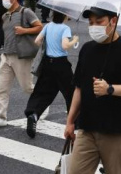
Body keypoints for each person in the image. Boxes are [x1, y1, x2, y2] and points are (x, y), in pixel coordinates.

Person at [63, 4, 121, 174]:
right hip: (87, 128)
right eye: (91, 22)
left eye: (99, 21)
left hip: (116, 130)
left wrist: (110, 89)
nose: (94, 26)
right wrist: (70, 121)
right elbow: (79, 88)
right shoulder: (87, 49)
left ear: (113, 21)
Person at [0, 0, 42, 128]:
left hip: (21, 56)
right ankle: (1, 117)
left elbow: (40, 27)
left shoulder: (25, 12)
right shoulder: (5, 16)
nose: (3, 0)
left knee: (27, 87)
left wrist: (25, 30)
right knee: (2, 88)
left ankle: (42, 104)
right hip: (6, 55)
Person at [24, 11, 79, 139]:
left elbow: (37, 41)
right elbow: (65, 46)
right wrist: (74, 40)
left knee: (42, 91)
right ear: (65, 16)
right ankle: (76, 122)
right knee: (71, 93)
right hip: (61, 64)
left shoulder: (48, 26)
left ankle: (34, 114)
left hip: (48, 63)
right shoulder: (65, 28)